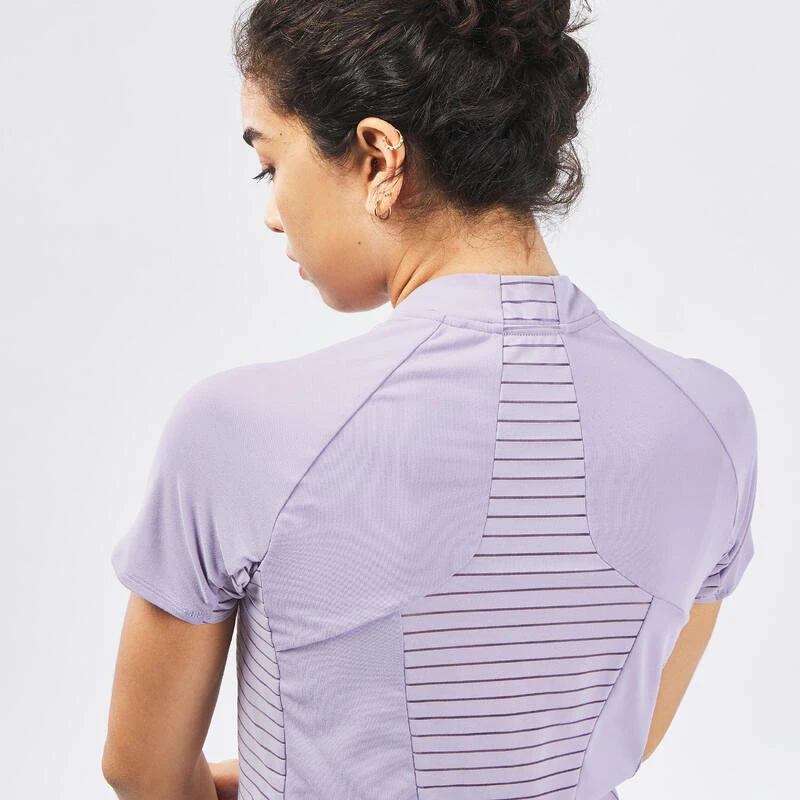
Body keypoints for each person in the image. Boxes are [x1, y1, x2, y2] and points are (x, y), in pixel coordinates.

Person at [101, 2, 758, 799]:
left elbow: (143, 767)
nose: (272, 213)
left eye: (269, 166)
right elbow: (611, 737)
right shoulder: (711, 421)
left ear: (380, 157)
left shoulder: (237, 429)